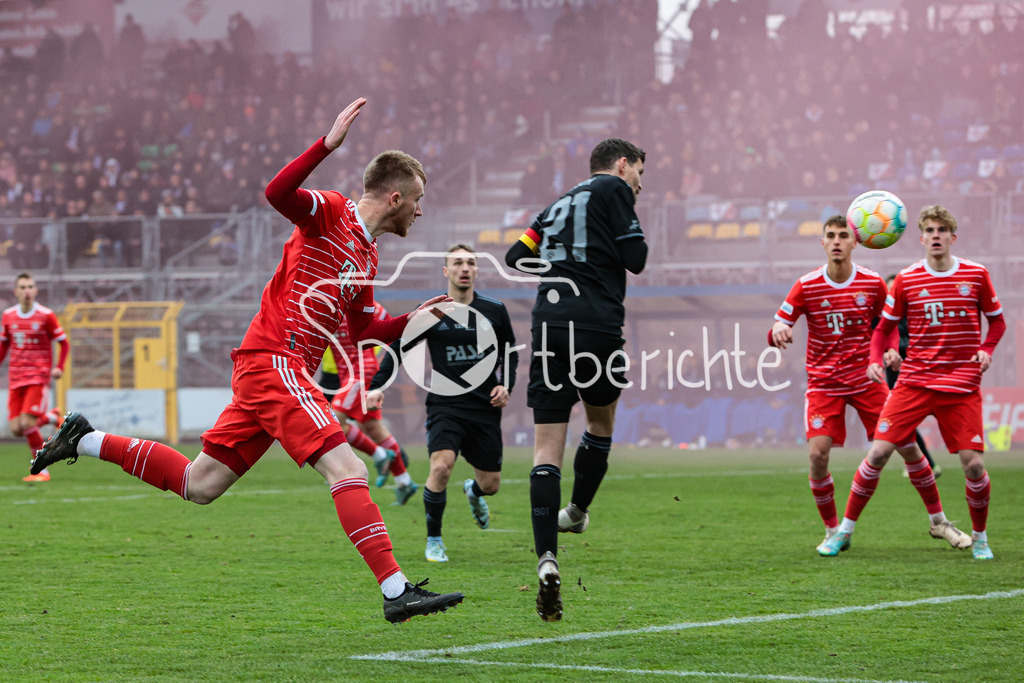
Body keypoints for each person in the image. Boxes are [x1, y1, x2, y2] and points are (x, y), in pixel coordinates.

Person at [31, 98, 465, 621]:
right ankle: (396, 590)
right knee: (346, 466)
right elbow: (276, 192)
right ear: (394, 196)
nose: (421, 210)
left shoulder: (369, 255)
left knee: (201, 484)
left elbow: (364, 329)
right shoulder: (331, 211)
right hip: (275, 360)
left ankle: (85, 438)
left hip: (274, 371)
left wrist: (417, 318)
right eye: (418, 199)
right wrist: (326, 146)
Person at [505, 138, 647, 622]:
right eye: (639, 175)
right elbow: (637, 257)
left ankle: (547, 559)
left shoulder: (555, 204)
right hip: (596, 325)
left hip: (548, 324)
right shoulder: (613, 190)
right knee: (601, 424)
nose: (640, 185)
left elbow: (515, 256)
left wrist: (559, 272)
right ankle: (578, 512)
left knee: (547, 447)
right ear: (622, 164)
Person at [819, 205, 1006, 560]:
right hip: (914, 384)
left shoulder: (976, 275)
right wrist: (876, 360)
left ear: (953, 237)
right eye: (930, 231)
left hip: (961, 386)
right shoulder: (906, 279)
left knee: (975, 466)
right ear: (921, 238)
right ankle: (842, 532)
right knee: (877, 453)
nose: (936, 236)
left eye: (942, 230)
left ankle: (980, 537)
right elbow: (883, 329)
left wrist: (986, 348)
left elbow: (997, 322)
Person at [769, 216, 932, 555]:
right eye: (831, 236)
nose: (837, 241)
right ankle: (833, 530)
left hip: (865, 379)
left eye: (844, 235)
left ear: (855, 242)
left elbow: (888, 323)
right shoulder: (806, 285)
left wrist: (888, 348)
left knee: (906, 445)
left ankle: (938, 519)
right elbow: (777, 326)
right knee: (817, 455)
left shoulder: (872, 283)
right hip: (824, 382)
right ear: (823, 243)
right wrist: (778, 333)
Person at [367, 244, 517, 563]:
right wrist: (377, 386)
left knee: (490, 485)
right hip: (445, 406)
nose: (465, 268)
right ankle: (434, 540)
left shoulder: (494, 310)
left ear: (477, 271)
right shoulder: (433, 311)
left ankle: (473, 491)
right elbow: (398, 348)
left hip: (484, 408)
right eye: (458, 263)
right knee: (440, 466)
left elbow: (510, 353)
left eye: (471, 263)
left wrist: (507, 384)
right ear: (446, 272)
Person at [323, 301, 419, 504]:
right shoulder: (322, 305)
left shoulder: (365, 305)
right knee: (372, 427)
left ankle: (379, 455)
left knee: (335, 420)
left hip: (361, 371)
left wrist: (387, 361)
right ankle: (404, 481)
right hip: (347, 372)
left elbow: (393, 328)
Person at [2, 272, 67, 482]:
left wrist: (59, 367)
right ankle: (50, 418)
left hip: (37, 377)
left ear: (36, 290)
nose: (27, 291)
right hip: (15, 377)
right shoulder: (8, 315)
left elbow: (63, 343)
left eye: (30, 287)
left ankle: (42, 471)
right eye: (22, 287)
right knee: (16, 430)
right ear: (16, 292)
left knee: (27, 423)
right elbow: (4, 344)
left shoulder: (46, 315)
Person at [883, 273, 941, 480]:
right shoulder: (884, 317)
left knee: (905, 421)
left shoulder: (913, 312)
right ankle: (924, 463)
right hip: (894, 374)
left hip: (917, 371)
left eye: (895, 288)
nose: (892, 292)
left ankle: (922, 463)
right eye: (889, 289)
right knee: (903, 422)